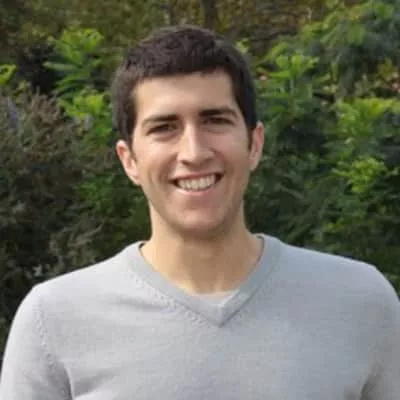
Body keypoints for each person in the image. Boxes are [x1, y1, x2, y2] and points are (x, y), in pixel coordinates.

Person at [1, 25, 399, 400]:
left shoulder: (359, 301)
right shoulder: (54, 320)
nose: (193, 152)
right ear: (129, 160)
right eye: (164, 128)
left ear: (254, 144)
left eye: (215, 120)